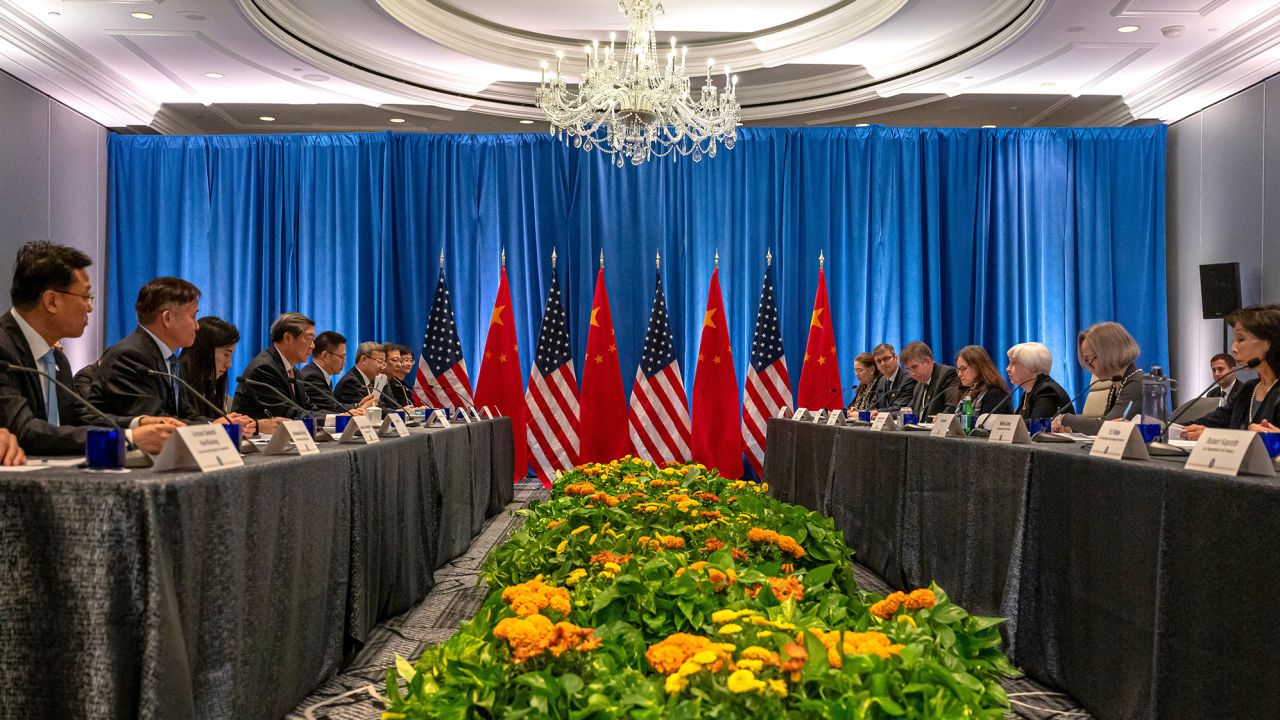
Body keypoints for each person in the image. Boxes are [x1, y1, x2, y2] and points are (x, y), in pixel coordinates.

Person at [0, 241, 179, 454]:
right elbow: (24, 431)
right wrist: (127, 439)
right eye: (85, 297)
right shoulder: (4, 350)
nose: (91, 307)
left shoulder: (57, 360)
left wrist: (138, 424)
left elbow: (79, 418)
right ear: (52, 301)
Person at [89, 277, 205, 421]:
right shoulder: (130, 356)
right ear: (167, 318)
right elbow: (155, 420)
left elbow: (186, 415)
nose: (197, 326)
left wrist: (221, 426)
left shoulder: (169, 359)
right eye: (193, 317)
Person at [1183, 306, 1280, 438]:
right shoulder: (1249, 389)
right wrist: (1169, 427)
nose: (1233, 348)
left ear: (1268, 343)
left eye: (1241, 339)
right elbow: (1213, 422)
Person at [1053, 322, 1144, 435]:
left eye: (1089, 359)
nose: (1089, 367)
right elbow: (1107, 423)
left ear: (1109, 352)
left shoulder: (1137, 383)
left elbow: (1110, 428)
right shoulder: (1119, 382)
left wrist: (1064, 418)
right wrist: (1070, 428)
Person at [177, 316, 256, 434]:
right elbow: (179, 423)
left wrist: (238, 425)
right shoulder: (176, 379)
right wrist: (215, 426)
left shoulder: (211, 386)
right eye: (226, 354)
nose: (229, 364)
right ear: (205, 350)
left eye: (231, 356)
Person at [231, 312, 316, 421]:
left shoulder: (292, 370)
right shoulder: (264, 368)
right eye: (309, 338)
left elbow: (307, 407)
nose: (313, 346)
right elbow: (286, 413)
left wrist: (336, 417)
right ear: (287, 338)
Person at [298, 330, 373, 413]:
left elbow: (333, 405)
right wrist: (360, 407)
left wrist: (358, 405)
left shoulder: (319, 374)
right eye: (341, 357)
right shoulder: (312, 376)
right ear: (325, 356)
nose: (344, 362)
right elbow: (331, 407)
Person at [1005, 342, 1072, 419]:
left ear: (1033, 366)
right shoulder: (1028, 393)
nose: (1008, 369)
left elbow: (1037, 425)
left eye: (1013, 363)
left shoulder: (1047, 391)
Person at [900, 341, 958, 421]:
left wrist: (940, 420)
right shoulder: (918, 386)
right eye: (908, 369)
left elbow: (952, 407)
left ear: (928, 362)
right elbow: (909, 411)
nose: (912, 374)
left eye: (914, 367)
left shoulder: (947, 375)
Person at [945, 345, 1009, 416]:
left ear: (978, 367)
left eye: (963, 369)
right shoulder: (967, 392)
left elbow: (986, 426)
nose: (959, 374)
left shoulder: (995, 394)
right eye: (958, 370)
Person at [335, 342, 386, 406]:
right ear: (364, 360)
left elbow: (380, 405)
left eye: (383, 363)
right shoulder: (350, 382)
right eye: (379, 361)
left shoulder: (372, 381)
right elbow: (367, 409)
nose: (382, 367)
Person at [870, 343, 917, 409]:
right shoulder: (881, 381)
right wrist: (860, 412)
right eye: (878, 361)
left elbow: (900, 408)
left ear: (896, 358)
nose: (883, 364)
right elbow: (873, 407)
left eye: (886, 358)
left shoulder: (908, 379)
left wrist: (876, 413)